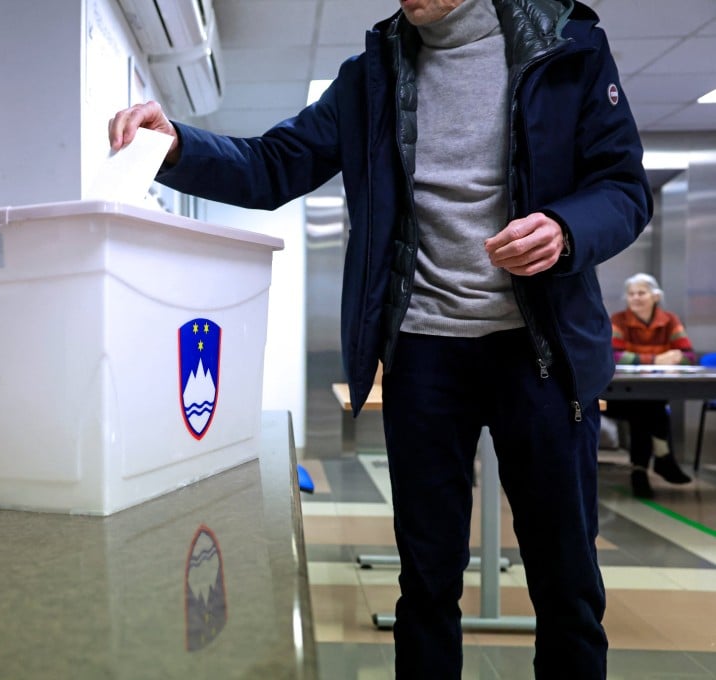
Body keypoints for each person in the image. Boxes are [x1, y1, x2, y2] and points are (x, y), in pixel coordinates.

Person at [108, 0, 651, 676]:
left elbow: (624, 188)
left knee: (567, 585)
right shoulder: (371, 76)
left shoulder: (566, 47)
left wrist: (566, 228)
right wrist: (177, 145)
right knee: (425, 585)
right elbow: (274, 164)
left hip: (538, 353)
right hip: (423, 351)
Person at [606, 273, 695, 498]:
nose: (636, 298)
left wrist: (672, 357)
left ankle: (640, 471)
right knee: (647, 407)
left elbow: (688, 356)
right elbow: (612, 355)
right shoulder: (618, 320)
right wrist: (656, 359)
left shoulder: (670, 320)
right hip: (614, 396)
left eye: (641, 293)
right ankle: (662, 459)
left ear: (655, 296)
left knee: (646, 406)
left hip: (651, 395)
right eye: (631, 294)